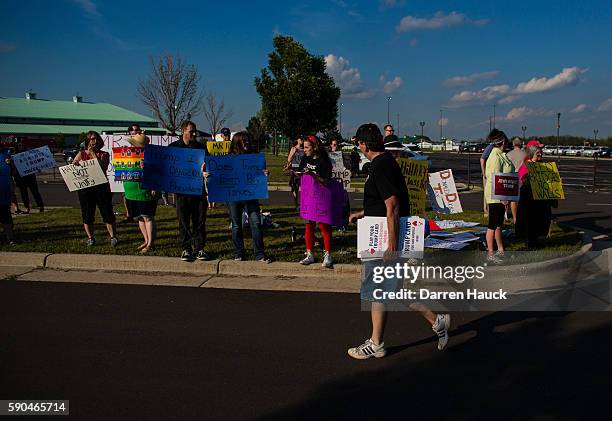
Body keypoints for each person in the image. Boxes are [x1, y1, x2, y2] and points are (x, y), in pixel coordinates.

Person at [347, 123, 450, 360]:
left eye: (358, 144)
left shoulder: (380, 165)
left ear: (363, 144)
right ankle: (437, 322)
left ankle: (376, 343)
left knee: (378, 291)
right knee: (394, 290)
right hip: (382, 233)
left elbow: (392, 204)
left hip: (385, 239)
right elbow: (384, 202)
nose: (358, 148)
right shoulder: (384, 163)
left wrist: (392, 247)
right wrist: (361, 214)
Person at [222, 131, 271, 263]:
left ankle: (259, 254)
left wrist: (264, 173)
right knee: (236, 225)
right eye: (243, 140)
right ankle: (239, 253)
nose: (246, 142)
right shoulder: (229, 159)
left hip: (251, 196)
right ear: (237, 142)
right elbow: (222, 176)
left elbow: (259, 175)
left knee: (256, 223)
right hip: (234, 197)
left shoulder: (255, 158)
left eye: (248, 140)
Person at [169, 120, 210, 262]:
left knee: (200, 221)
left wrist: (206, 172)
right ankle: (186, 249)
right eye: (191, 131)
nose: (194, 133)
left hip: (198, 192)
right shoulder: (173, 148)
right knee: (183, 221)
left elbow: (209, 166)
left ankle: (200, 249)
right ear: (183, 131)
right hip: (181, 192)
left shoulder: (201, 148)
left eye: (195, 131)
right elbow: (166, 167)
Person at [73, 131, 118, 246]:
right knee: (87, 214)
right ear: (88, 141)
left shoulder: (104, 154)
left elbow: (101, 168)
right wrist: (74, 163)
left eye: (97, 138)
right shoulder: (81, 153)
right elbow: (74, 164)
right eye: (92, 139)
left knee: (107, 213)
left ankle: (113, 236)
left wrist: (93, 154)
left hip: (101, 188)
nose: (95, 141)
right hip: (86, 188)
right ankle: (91, 237)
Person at [297, 135, 334, 268]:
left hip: (321, 197)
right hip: (308, 197)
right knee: (308, 226)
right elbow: (301, 173)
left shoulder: (324, 161)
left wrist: (313, 174)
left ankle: (328, 254)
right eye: (303, 147)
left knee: (324, 226)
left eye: (307, 147)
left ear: (315, 147)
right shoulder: (305, 158)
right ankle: (310, 253)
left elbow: (325, 181)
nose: (304, 150)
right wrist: (293, 171)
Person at [516, 140, 557, 248]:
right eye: (537, 152)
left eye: (540, 152)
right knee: (531, 222)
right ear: (531, 154)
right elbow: (521, 182)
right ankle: (531, 242)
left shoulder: (544, 166)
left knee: (541, 222)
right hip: (530, 201)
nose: (540, 154)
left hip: (541, 201)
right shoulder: (525, 166)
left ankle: (537, 240)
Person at [124, 132, 158, 254]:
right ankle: (146, 240)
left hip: (146, 189)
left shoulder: (152, 156)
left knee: (147, 217)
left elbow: (158, 171)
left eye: (136, 144)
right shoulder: (128, 155)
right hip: (132, 190)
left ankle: (150, 243)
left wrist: (153, 183)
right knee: (139, 218)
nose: (133, 146)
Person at [484, 129, 514, 263]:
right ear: (501, 142)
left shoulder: (502, 155)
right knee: (493, 224)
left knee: (498, 224)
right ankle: (490, 253)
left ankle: (500, 250)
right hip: (496, 196)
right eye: (506, 140)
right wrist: (502, 197)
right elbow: (494, 178)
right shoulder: (495, 156)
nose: (508, 143)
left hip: (502, 195)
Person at [121, 124, 144, 223]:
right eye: (135, 130)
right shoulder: (126, 147)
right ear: (130, 132)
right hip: (129, 177)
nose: (138, 131)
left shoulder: (143, 142)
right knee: (127, 195)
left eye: (139, 130)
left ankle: (140, 214)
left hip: (141, 177)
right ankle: (130, 214)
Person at [506, 137, 527, 224]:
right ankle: (519, 217)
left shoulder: (508, 154)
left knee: (510, 199)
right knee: (520, 200)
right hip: (522, 176)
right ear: (521, 144)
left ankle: (511, 216)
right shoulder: (525, 154)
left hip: (511, 176)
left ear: (513, 144)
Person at [284, 136, 305, 211]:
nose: (302, 140)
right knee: (294, 187)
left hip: (302, 169)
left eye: (303, 139)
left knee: (304, 188)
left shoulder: (304, 149)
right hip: (295, 169)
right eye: (300, 139)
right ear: (297, 140)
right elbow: (289, 159)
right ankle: (296, 205)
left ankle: (303, 204)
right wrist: (294, 152)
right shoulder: (293, 148)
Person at [1, 156, 15, 245]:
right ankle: (9, 239)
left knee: (7, 219)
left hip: (4, 195)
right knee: (7, 219)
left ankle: (10, 238)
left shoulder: (5, 157)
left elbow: (11, 176)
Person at [480, 141, 495, 217]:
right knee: (487, 193)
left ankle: (492, 211)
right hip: (488, 175)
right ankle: (486, 212)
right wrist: (484, 172)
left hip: (494, 175)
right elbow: (482, 159)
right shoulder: (490, 147)